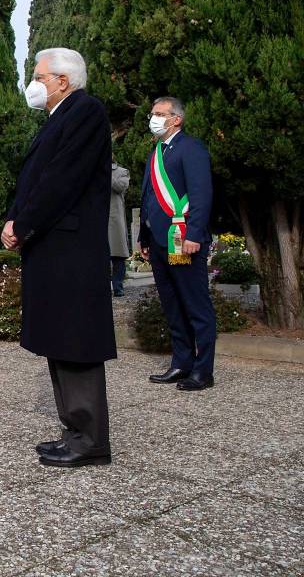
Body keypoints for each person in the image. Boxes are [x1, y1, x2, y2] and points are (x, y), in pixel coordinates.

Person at [2, 47, 115, 468]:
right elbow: (35, 179)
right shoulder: (59, 117)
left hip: (70, 248)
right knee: (60, 340)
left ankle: (90, 440)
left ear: (63, 81)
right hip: (52, 246)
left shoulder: (85, 112)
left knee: (76, 341)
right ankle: (75, 431)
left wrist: (23, 223)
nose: (34, 84)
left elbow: (60, 180)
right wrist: (15, 218)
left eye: (40, 76)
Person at [138, 97, 216, 391]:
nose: (154, 118)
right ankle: (181, 362)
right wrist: (143, 236)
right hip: (159, 241)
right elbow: (148, 197)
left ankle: (203, 370)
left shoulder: (191, 148)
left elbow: (201, 194)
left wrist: (194, 235)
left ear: (176, 119)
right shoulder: (156, 152)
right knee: (172, 304)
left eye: (160, 114)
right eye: (153, 113)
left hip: (184, 241)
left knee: (195, 304)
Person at [109, 158, 131, 296]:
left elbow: (120, 187)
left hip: (114, 220)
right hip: (97, 219)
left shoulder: (122, 172)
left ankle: (118, 287)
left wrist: (107, 173)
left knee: (118, 256)